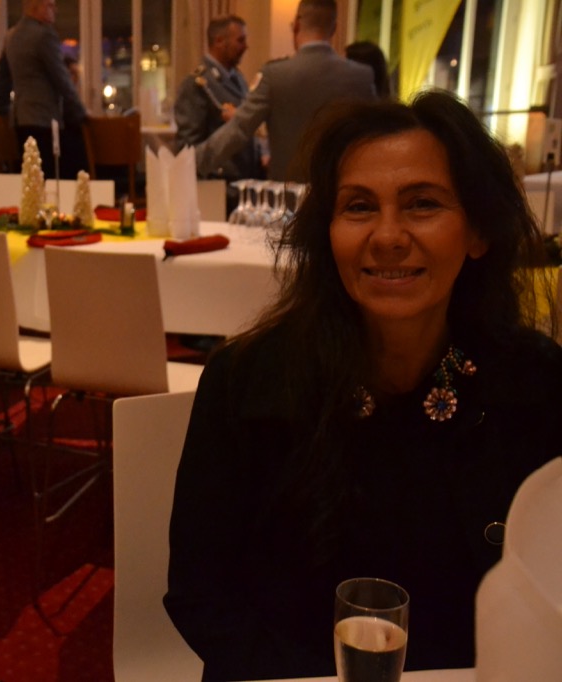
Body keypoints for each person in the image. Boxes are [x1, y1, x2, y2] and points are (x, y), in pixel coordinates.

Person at [165, 90, 562, 681]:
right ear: (327, 233)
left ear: (477, 231)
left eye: (422, 204)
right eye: (358, 207)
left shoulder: (536, 383)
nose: (388, 235)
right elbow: (201, 594)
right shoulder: (246, 382)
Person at [195, 0, 375, 182]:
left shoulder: (275, 75)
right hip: (341, 191)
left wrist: (192, 163)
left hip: (288, 193)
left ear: (296, 25)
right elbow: (373, 138)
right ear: (334, 28)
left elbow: (239, 129)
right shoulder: (361, 77)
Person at [0, 0, 88, 179]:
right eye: (50, 5)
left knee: (31, 178)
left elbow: (2, 78)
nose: (55, 10)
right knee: (52, 176)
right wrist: (80, 114)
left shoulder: (11, 36)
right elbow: (62, 79)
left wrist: (3, 111)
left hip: (21, 120)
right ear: (36, 7)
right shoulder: (45, 35)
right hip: (45, 120)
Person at [174, 16, 263, 183]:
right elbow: (188, 150)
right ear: (219, 41)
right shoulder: (197, 83)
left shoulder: (238, 78)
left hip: (244, 180)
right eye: (240, 40)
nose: (246, 46)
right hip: (219, 183)